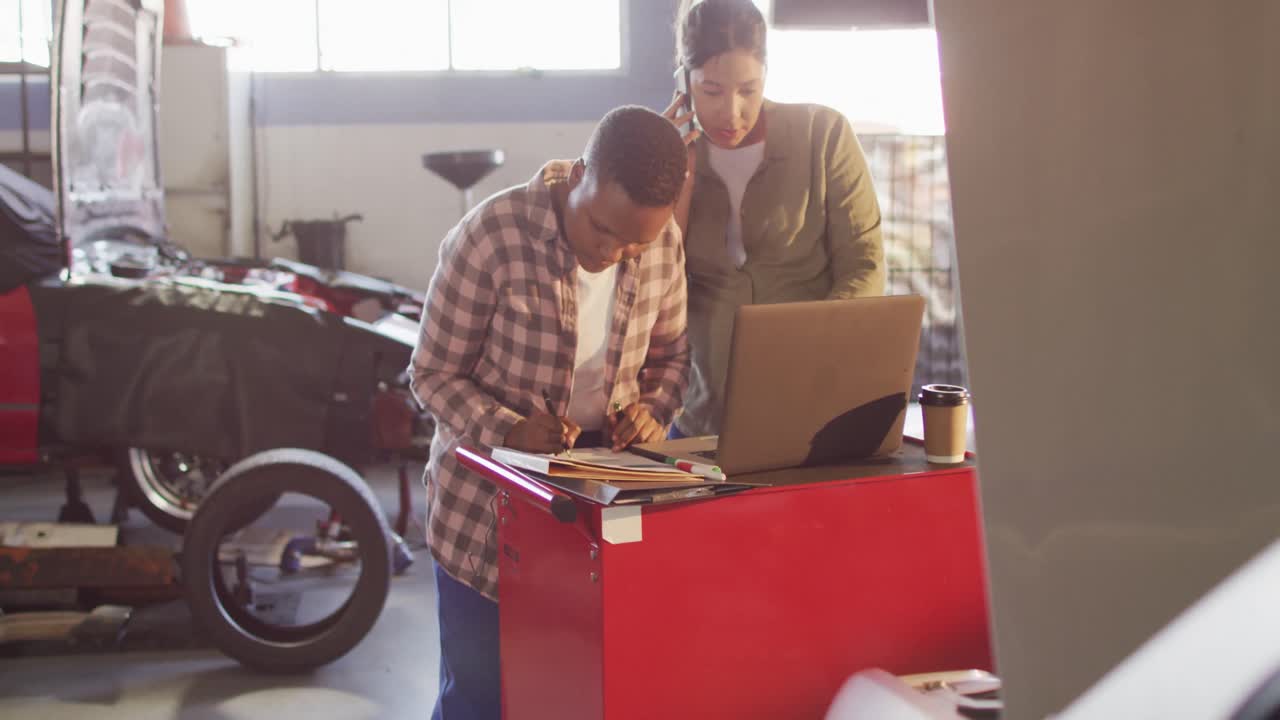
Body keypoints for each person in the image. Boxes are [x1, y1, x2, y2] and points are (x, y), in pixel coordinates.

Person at [409, 105, 691, 720]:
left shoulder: (662, 240)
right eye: (601, 229)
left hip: (598, 516)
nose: (612, 252)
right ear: (580, 174)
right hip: (484, 516)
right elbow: (429, 374)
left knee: (581, 697)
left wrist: (652, 414)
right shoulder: (490, 236)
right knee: (479, 702)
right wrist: (508, 428)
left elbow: (671, 357)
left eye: (633, 242)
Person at [664, 0, 887, 438]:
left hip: (811, 402)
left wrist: (812, 346)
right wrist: (679, 174)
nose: (732, 113)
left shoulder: (823, 135)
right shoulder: (665, 155)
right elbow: (652, 278)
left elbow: (864, 266)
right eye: (711, 91)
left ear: (767, 74)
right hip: (701, 417)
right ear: (683, 81)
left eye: (748, 89)